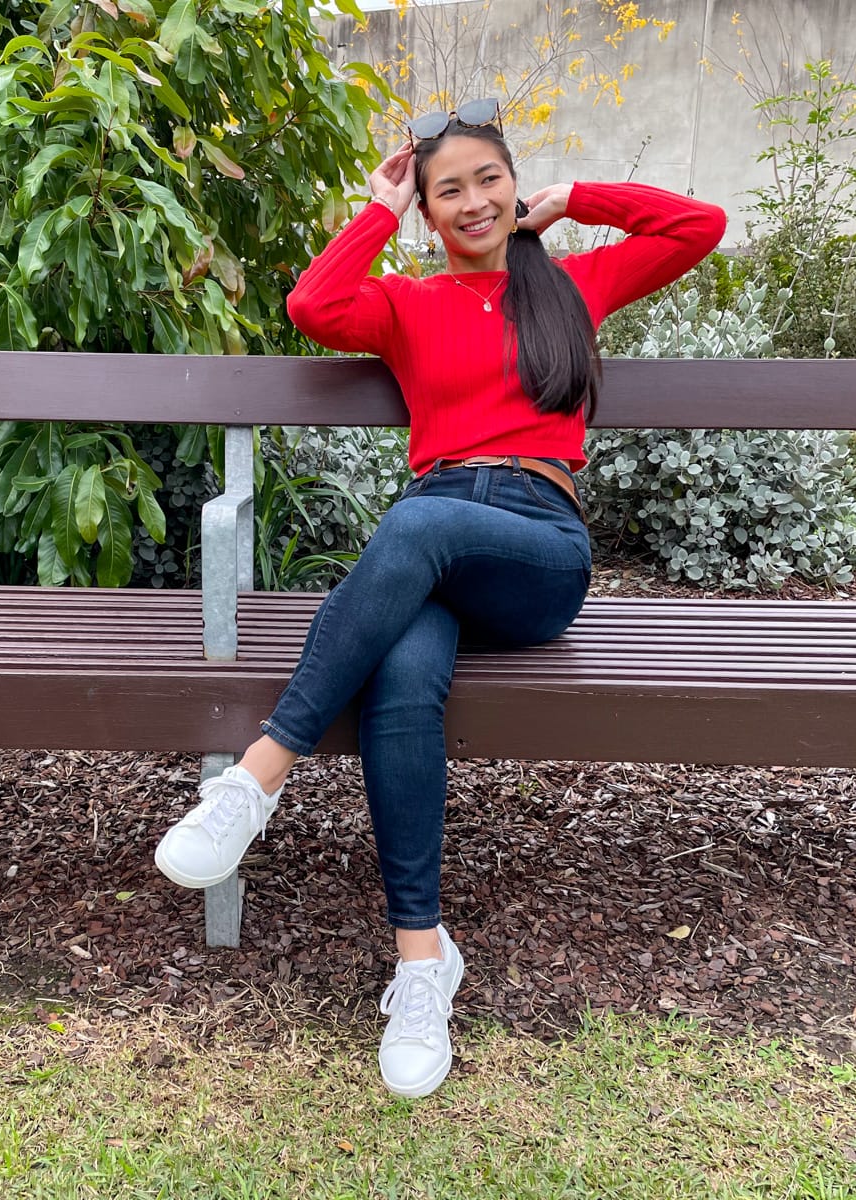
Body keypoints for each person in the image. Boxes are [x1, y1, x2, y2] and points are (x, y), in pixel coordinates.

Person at [154, 98, 727, 1098]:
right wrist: (372, 212)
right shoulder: (407, 302)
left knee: (416, 526)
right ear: (427, 213)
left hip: (535, 552)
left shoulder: (573, 286)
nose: (471, 202)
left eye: (487, 181)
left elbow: (697, 227)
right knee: (404, 679)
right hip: (430, 552)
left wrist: (577, 198)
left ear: (514, 185)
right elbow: (310, 307)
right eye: (445, 191)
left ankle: (255, 777)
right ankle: (423, 964)